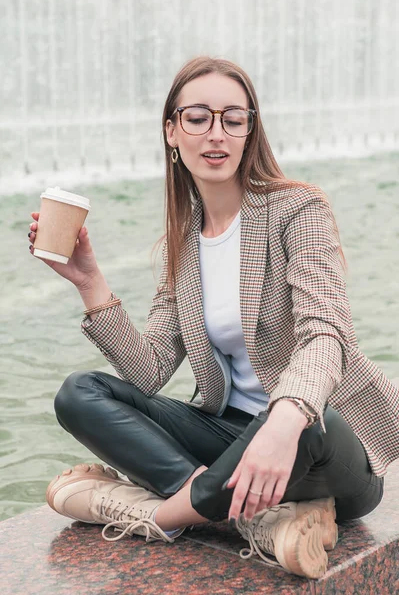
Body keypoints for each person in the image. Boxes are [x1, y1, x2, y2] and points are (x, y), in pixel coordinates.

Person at [28, 56, 399, 580]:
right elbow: (148, 372)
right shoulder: (183, 245)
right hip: (230, 437)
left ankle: (159, 515)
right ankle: (254, 520)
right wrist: (90, 282)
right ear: (172, 132)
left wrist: (286, 418)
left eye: (233, 119)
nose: (216, 133)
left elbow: (326, 334)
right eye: (198, 117)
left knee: (311, 421)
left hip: (324, 448)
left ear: (250, 130)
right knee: (80, 393)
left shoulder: (298, 210)